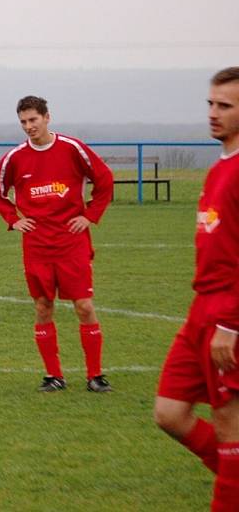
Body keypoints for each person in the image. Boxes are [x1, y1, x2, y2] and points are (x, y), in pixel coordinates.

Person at [0, 96, 114, 393]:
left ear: (47, 117)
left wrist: (90, 215)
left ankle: (95, 375)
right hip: (37, 245)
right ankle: (53, 376)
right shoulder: (15, 158)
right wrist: (13, 219)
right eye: (23, 122)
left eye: (33, 120)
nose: (29, 127)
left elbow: (104, 179)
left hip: (72, 241)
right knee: (43, 306)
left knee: (84, 306)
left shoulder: (73, 149)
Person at [154, 67, 239, 510]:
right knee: (169, 413)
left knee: (231, 433)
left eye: (225, 106)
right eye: (211, 103)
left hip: (229, 315)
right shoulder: (218, 168)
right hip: (200, 310)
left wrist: (232, 323)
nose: (213, 113)